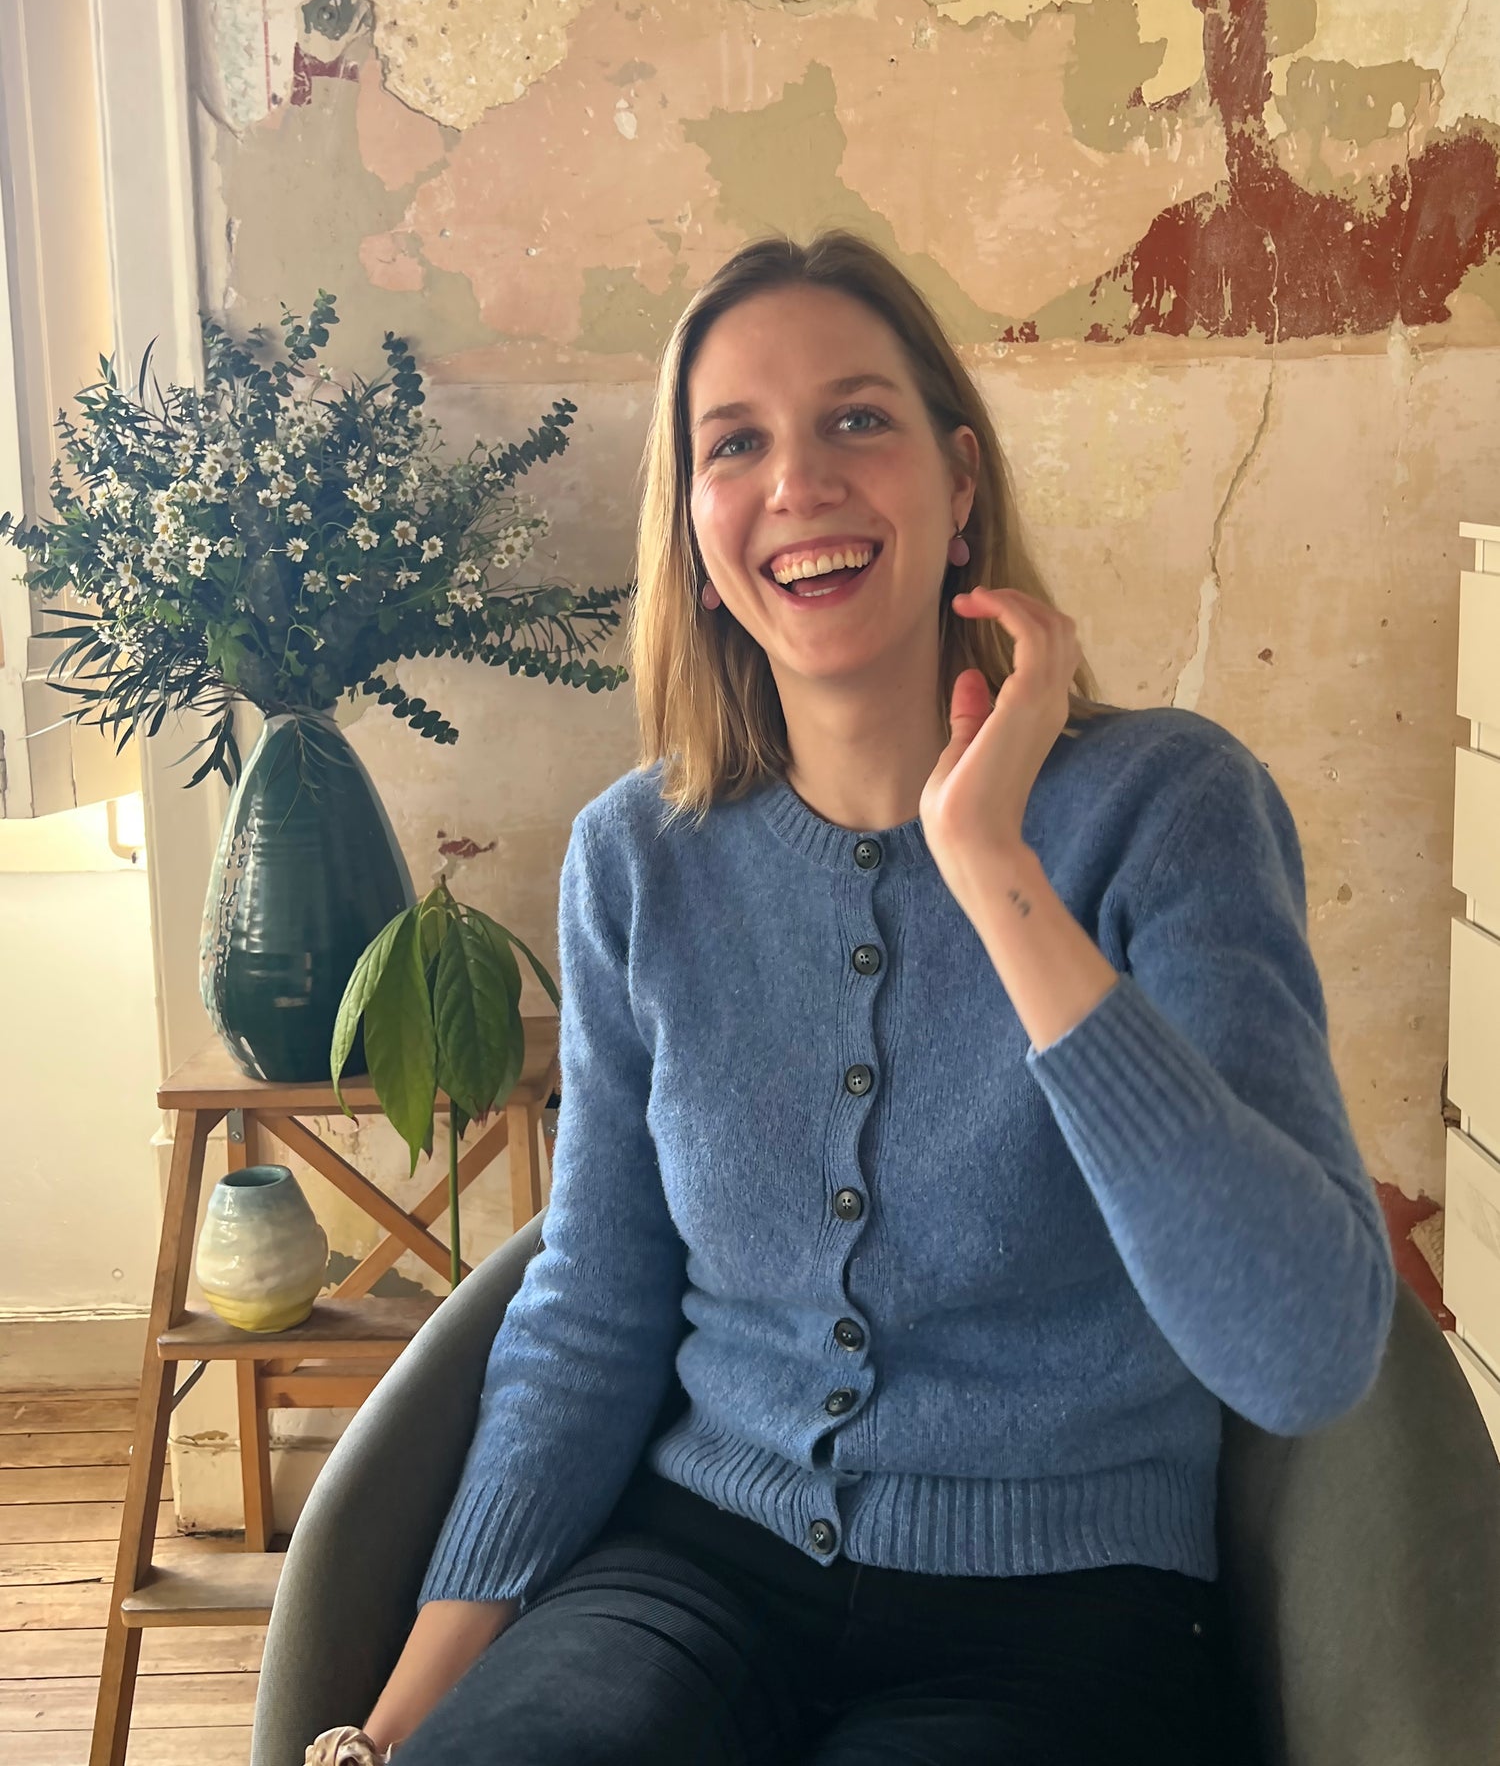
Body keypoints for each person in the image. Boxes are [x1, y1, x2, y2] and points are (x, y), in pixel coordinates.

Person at [344, 229, 1396, 1766]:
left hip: (1065, 1615)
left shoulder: (1172, 810)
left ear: (960, 484)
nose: (799, 484)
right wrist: (404, 1717)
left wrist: (993, 871)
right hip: (689, 1570)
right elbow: (597, 1302)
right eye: (735, 446)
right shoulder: (635, 856)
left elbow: (1305, 1345)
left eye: (856, 420)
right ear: (696, 528)